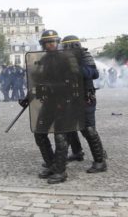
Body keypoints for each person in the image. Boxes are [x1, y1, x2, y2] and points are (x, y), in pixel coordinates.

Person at [19, 30, 72, 184]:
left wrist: (52, 87)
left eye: (53, 41)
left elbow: (74, 82)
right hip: (49, 102)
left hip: (63, 102)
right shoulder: (43, 60)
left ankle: (61, 171)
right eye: (48, 42)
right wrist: (27, 98)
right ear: (43, 44)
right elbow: (37, 83)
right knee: (40, 133)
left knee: (60, 136)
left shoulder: (66, 59)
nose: (51, 44)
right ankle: (51, 165)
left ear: (57, 42)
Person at [61, 35, 107, 173]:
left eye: (66, 47)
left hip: (85, 97)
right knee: (69, 127)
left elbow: (94, 73)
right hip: (70, 97)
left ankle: (100, 161)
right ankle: (77, 152)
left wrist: (76, 68)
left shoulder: (85, 55)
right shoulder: (61, 58)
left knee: (88, 129)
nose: (65, 49)